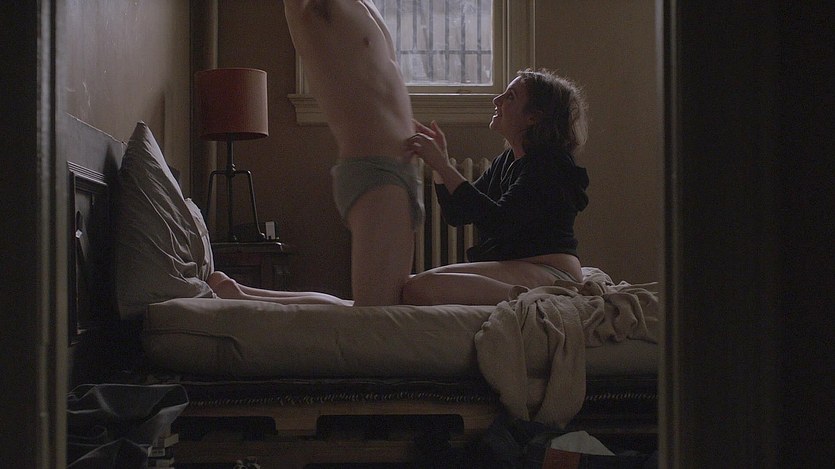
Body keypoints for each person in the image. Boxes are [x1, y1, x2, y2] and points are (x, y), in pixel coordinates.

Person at [401, 69, 590, 306]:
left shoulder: (551, 165)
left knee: (420, 288)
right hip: (520, 266)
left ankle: (550, 298)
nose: (496, 100)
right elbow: (457, 214)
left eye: (510, 96)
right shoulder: (507, 160)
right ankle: (532, 297)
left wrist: (441, 163)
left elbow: (498, 222)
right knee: (412, 285)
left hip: (552, 272)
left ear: (533, 117)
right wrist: (440, 164)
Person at [280, 0, 421, 306]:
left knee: (383, 308)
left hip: (399, 170)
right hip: (375, 170)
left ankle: (238, 293)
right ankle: (238, 298)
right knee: (375, 316)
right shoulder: (314, 8)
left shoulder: (366, 5)